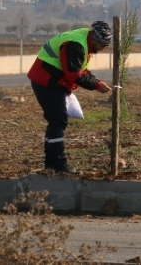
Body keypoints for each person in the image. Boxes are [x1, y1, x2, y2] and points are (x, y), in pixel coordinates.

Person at [28, 20, 113, 173]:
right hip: (46, 80)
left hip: (52, 80)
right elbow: (74, 74)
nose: (102, 49)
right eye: (101, 45)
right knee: (58, 121)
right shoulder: (76, 45)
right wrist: (96, 85)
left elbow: (81, 69)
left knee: (55, 121)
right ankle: (59, 166)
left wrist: (97, 81)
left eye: (105, 46)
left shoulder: (84, 41)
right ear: (94, 39)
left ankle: (51, 165)